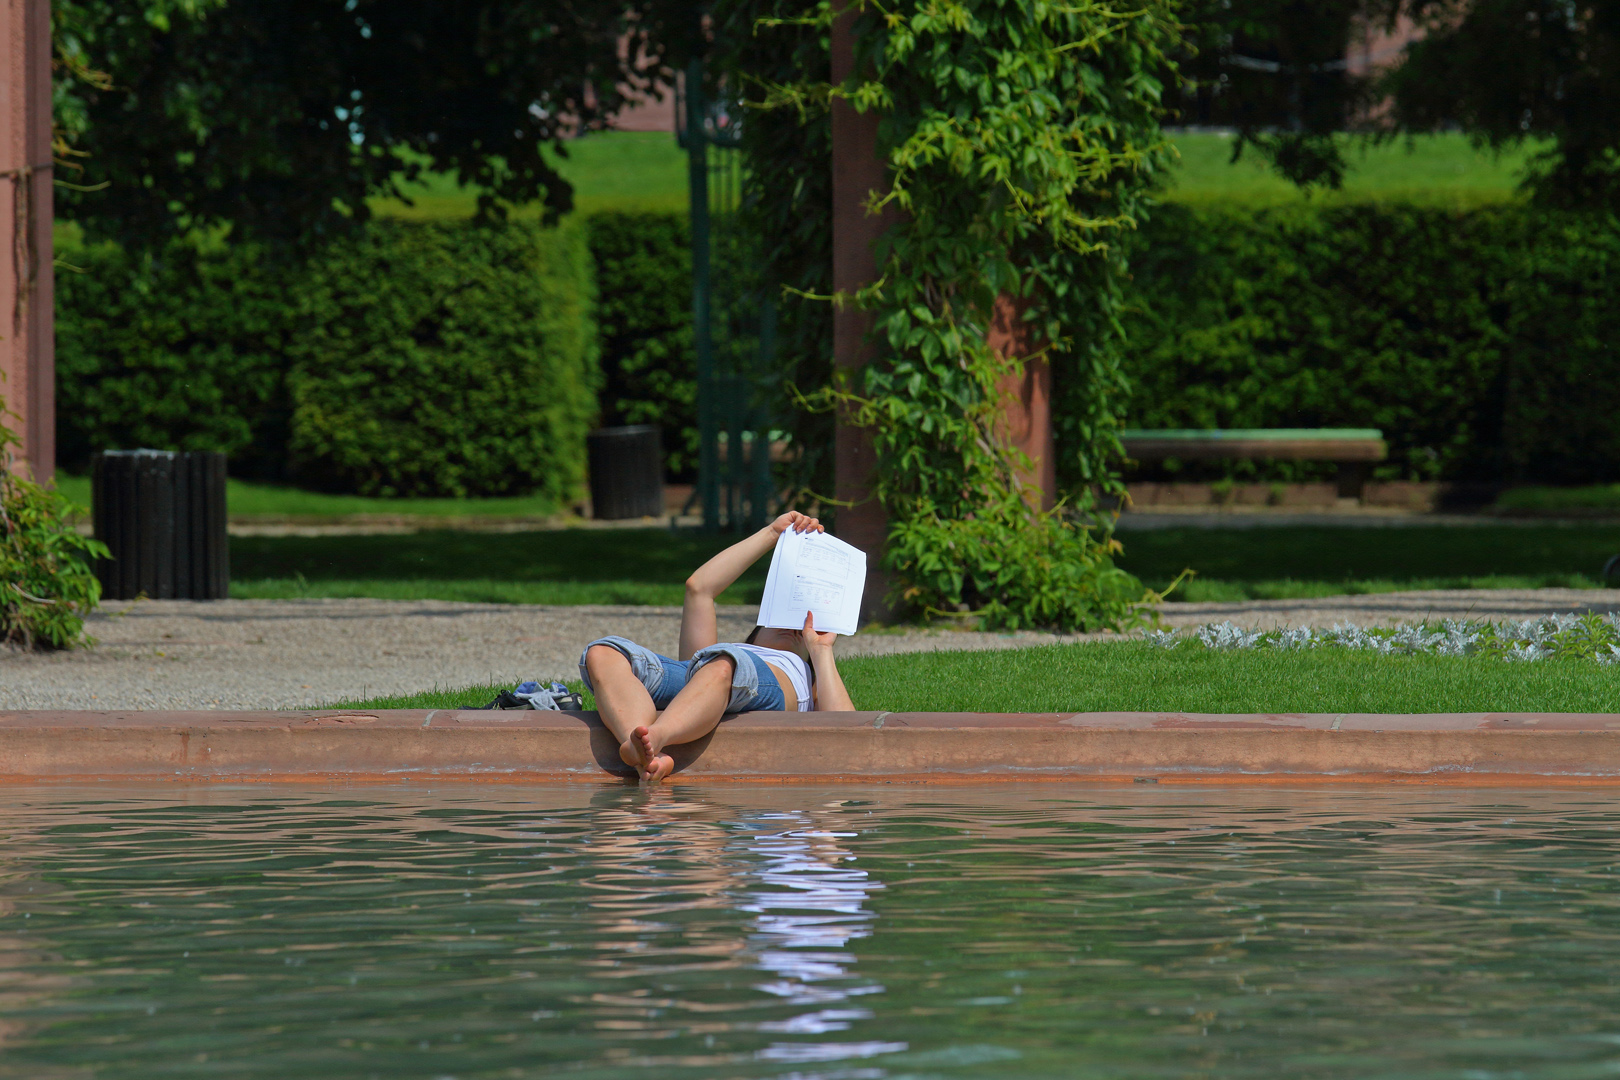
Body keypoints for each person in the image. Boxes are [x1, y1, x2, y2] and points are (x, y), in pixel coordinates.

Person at [579, 511, 856, 782]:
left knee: (725, 663)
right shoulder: (717, 659)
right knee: (603, 651)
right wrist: (771, 533)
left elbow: (849, 730)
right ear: (754, 638)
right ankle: (639, 746)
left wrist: (820, 650)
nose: (796, 627)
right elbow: (699, 587)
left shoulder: (807, 679)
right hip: (711, 675)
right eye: (784, 619)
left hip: (744, 676)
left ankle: (657, 736)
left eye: (802, 631)